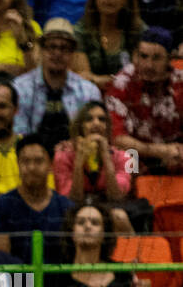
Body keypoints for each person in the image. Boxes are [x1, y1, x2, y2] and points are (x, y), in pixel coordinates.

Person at [46, 202, 151, 287]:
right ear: (72, 233)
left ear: (104, 234)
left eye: (95, 223)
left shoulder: (122, 273)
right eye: (81, 222)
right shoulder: (56, 276)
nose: (87, 226)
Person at [13, 18, 101, 150]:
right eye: (52, 47)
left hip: (75, 159)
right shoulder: (20, 88)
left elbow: (93, 138)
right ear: (41, 50)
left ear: (73, 54)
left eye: (64, 48)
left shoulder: (89, 92)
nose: (57, 53)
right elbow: (18, 135)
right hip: (31, 161)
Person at [105, 27, 183, 174]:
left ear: (170, 59)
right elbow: (118, 139)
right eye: (144, 56)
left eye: (156, 58)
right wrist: (161, 151)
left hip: (176, 155)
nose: (148, 65)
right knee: (124, 160)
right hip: (136, 156)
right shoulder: (121, 84)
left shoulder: (180, 83)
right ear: (135, 56)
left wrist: (177, 152)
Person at [54, 100, 138, 235]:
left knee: (120, 217)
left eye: (102, 119)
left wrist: (106, 156)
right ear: (80, 126)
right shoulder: (63, 155)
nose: (96, 123)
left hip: (109, 210)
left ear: (108, 126)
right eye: (89, 119)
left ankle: (134, 255)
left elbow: (117, 196)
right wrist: (79, 161)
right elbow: (72, 198)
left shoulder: (125, 157)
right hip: (75, 210)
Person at [0, 134, 73, 261]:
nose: (31, 168)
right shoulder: (1, 206)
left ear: (51, 165)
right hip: (17, 280)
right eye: (25, 161)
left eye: (39, 161)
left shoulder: (66, 207)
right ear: (18, 165)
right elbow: (3, 262)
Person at [72, 0, 144, 92]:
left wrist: (99, 80)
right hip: (91, 96)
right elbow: (83, 78)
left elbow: (142, 76)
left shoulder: (138, 31)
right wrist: (118, 81)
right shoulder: (81, 31)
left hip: (130, 96)